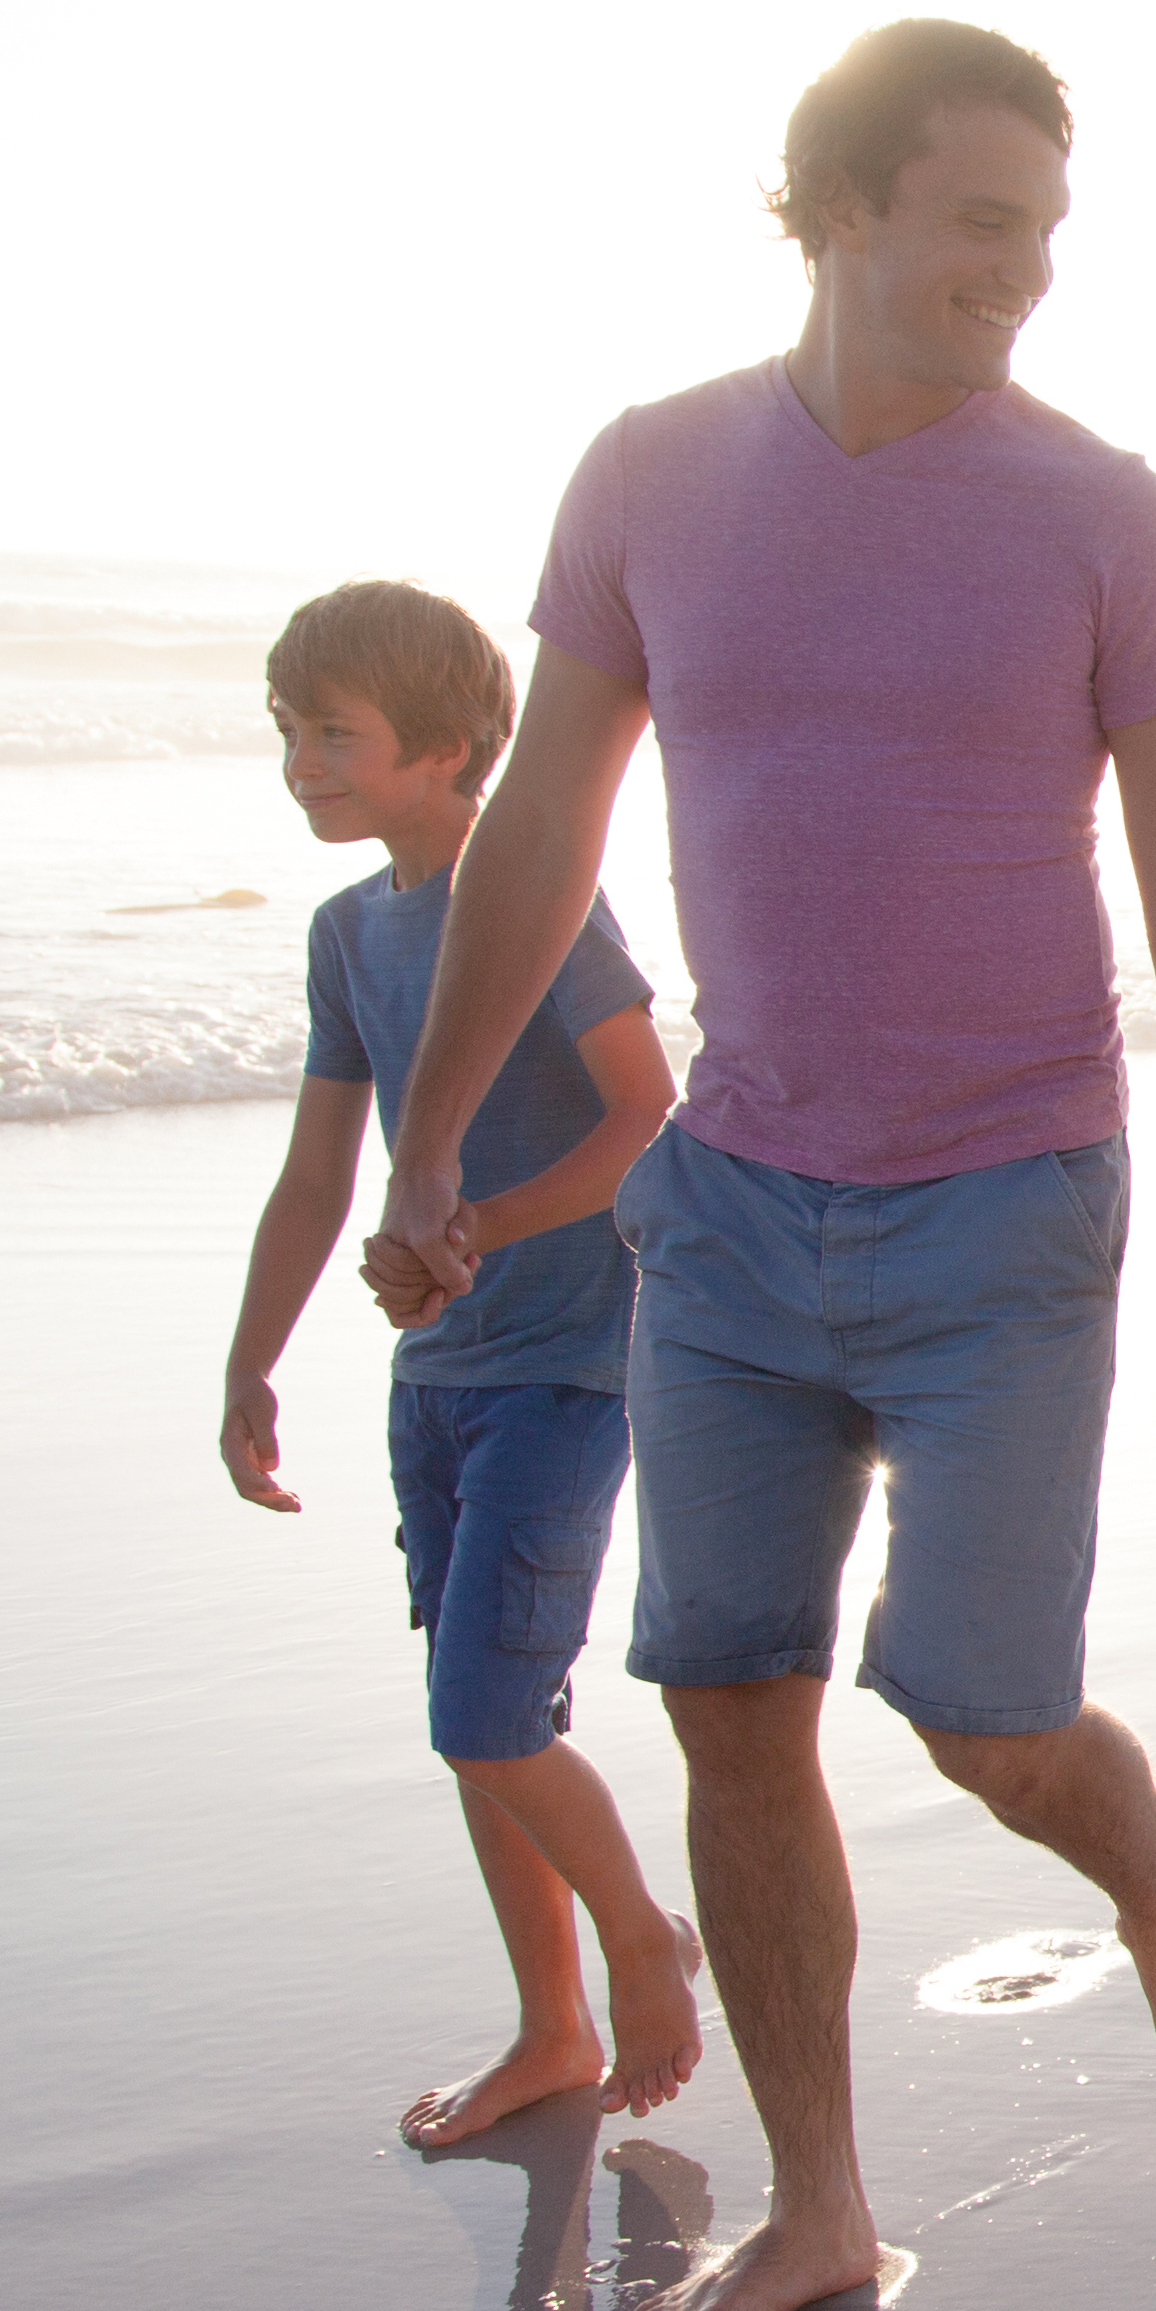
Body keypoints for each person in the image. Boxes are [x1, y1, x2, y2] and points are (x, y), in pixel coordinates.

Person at [374, 20, 1156, 2311]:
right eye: (980, 220)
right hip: (725, 1209)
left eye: (1044, 233)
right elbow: (538, 837)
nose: (1022, 273)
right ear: (839, 212)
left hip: (1008, 1207)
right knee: (728, 1697)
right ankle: (818, 2205)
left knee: (991, 1722)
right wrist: (430, 1138)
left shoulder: (1103, 513)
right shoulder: (648, 474)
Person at [215, 580, 702, 2150]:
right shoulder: (349, 932)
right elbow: (315, 1174)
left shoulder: (539, 893)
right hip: (435, 1380)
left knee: (483, 1718)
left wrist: (471, 1219)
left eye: (336, 735)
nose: (304, 761)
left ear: (451, 751)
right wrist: (250, 1363)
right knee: (479, 1715)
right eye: (289, 731)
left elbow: (646, 1116)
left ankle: (640, 1937)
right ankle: (551, 2030)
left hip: (567, 1367)